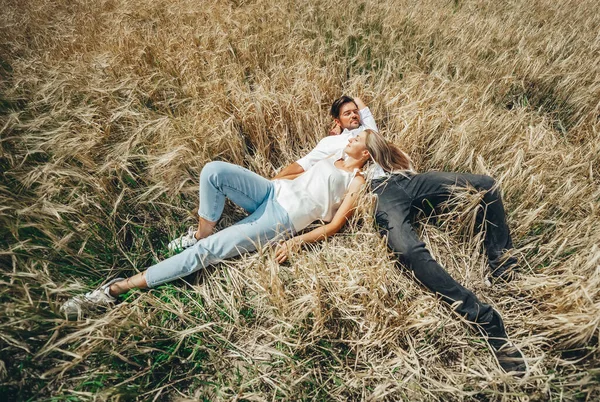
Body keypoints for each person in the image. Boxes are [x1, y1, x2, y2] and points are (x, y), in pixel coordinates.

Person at [275, 96, 527, 375]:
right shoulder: (331, 144)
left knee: (486, 186)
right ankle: (486, 321)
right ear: (336, 120)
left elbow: (362, 107)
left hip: (408, 179)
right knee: (407, 251)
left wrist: (358, 116)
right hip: (380, 194)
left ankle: (503, 269)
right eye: (347, 113)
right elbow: (302, 165)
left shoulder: (370, 132)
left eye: (356, 112)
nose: (354, 116)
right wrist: (273, 180)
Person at [60, 128, 404, 319]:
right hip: (271, 191)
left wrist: (297, 242)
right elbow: (299, 169)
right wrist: (275, 176)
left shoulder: (357, 182)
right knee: (214, 171)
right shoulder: (333, 155)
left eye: (357, 138)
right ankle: (198, 233)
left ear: (369, 154)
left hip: (280, 219)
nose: (350, 137)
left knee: (208, 254)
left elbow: (335, 226)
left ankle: (114, 290)